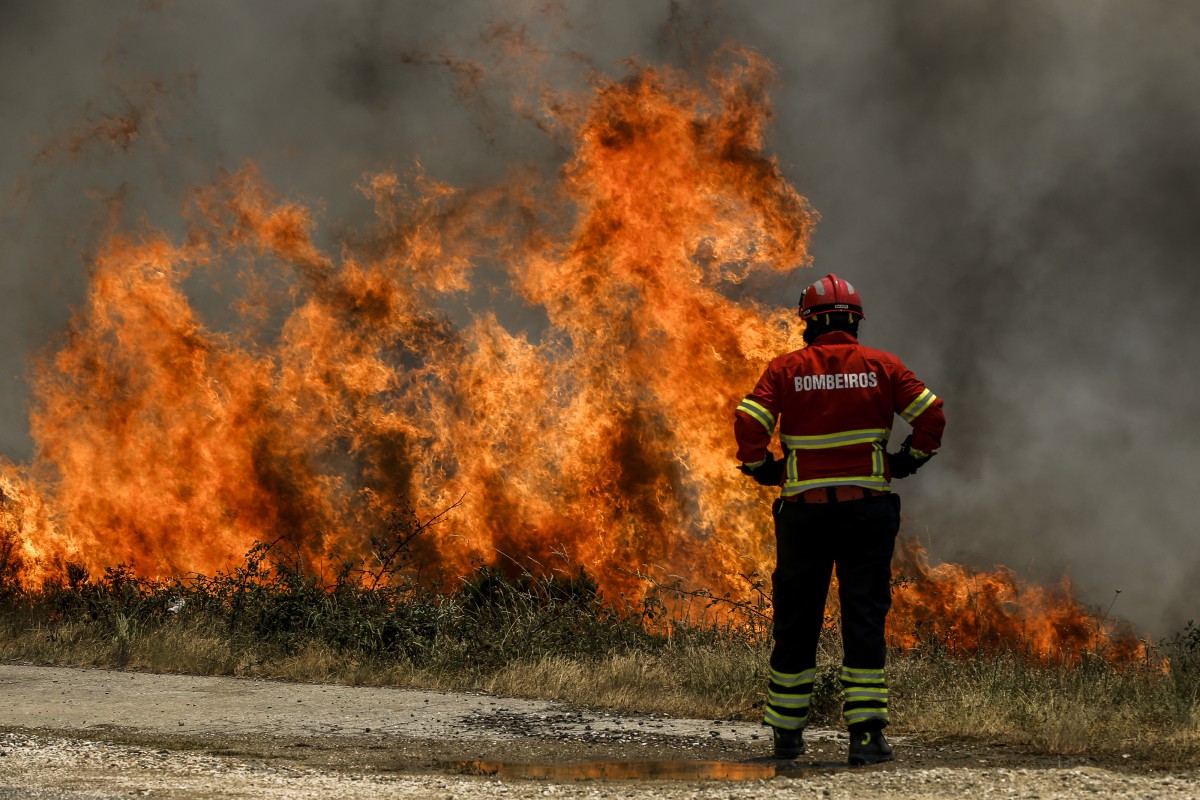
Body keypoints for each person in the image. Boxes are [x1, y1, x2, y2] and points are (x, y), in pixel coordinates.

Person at [733, 273, 945, 766]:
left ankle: (787, 735)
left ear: (808, 323)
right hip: (866, 513)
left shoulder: (785, 369)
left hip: (804, 516)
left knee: (796, 618)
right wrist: (906, 460)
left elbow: (749, 421)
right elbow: (931, 415)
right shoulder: (882, 366)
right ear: (855, 321)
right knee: (863, 616)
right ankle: (866, 738)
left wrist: (762, 466)